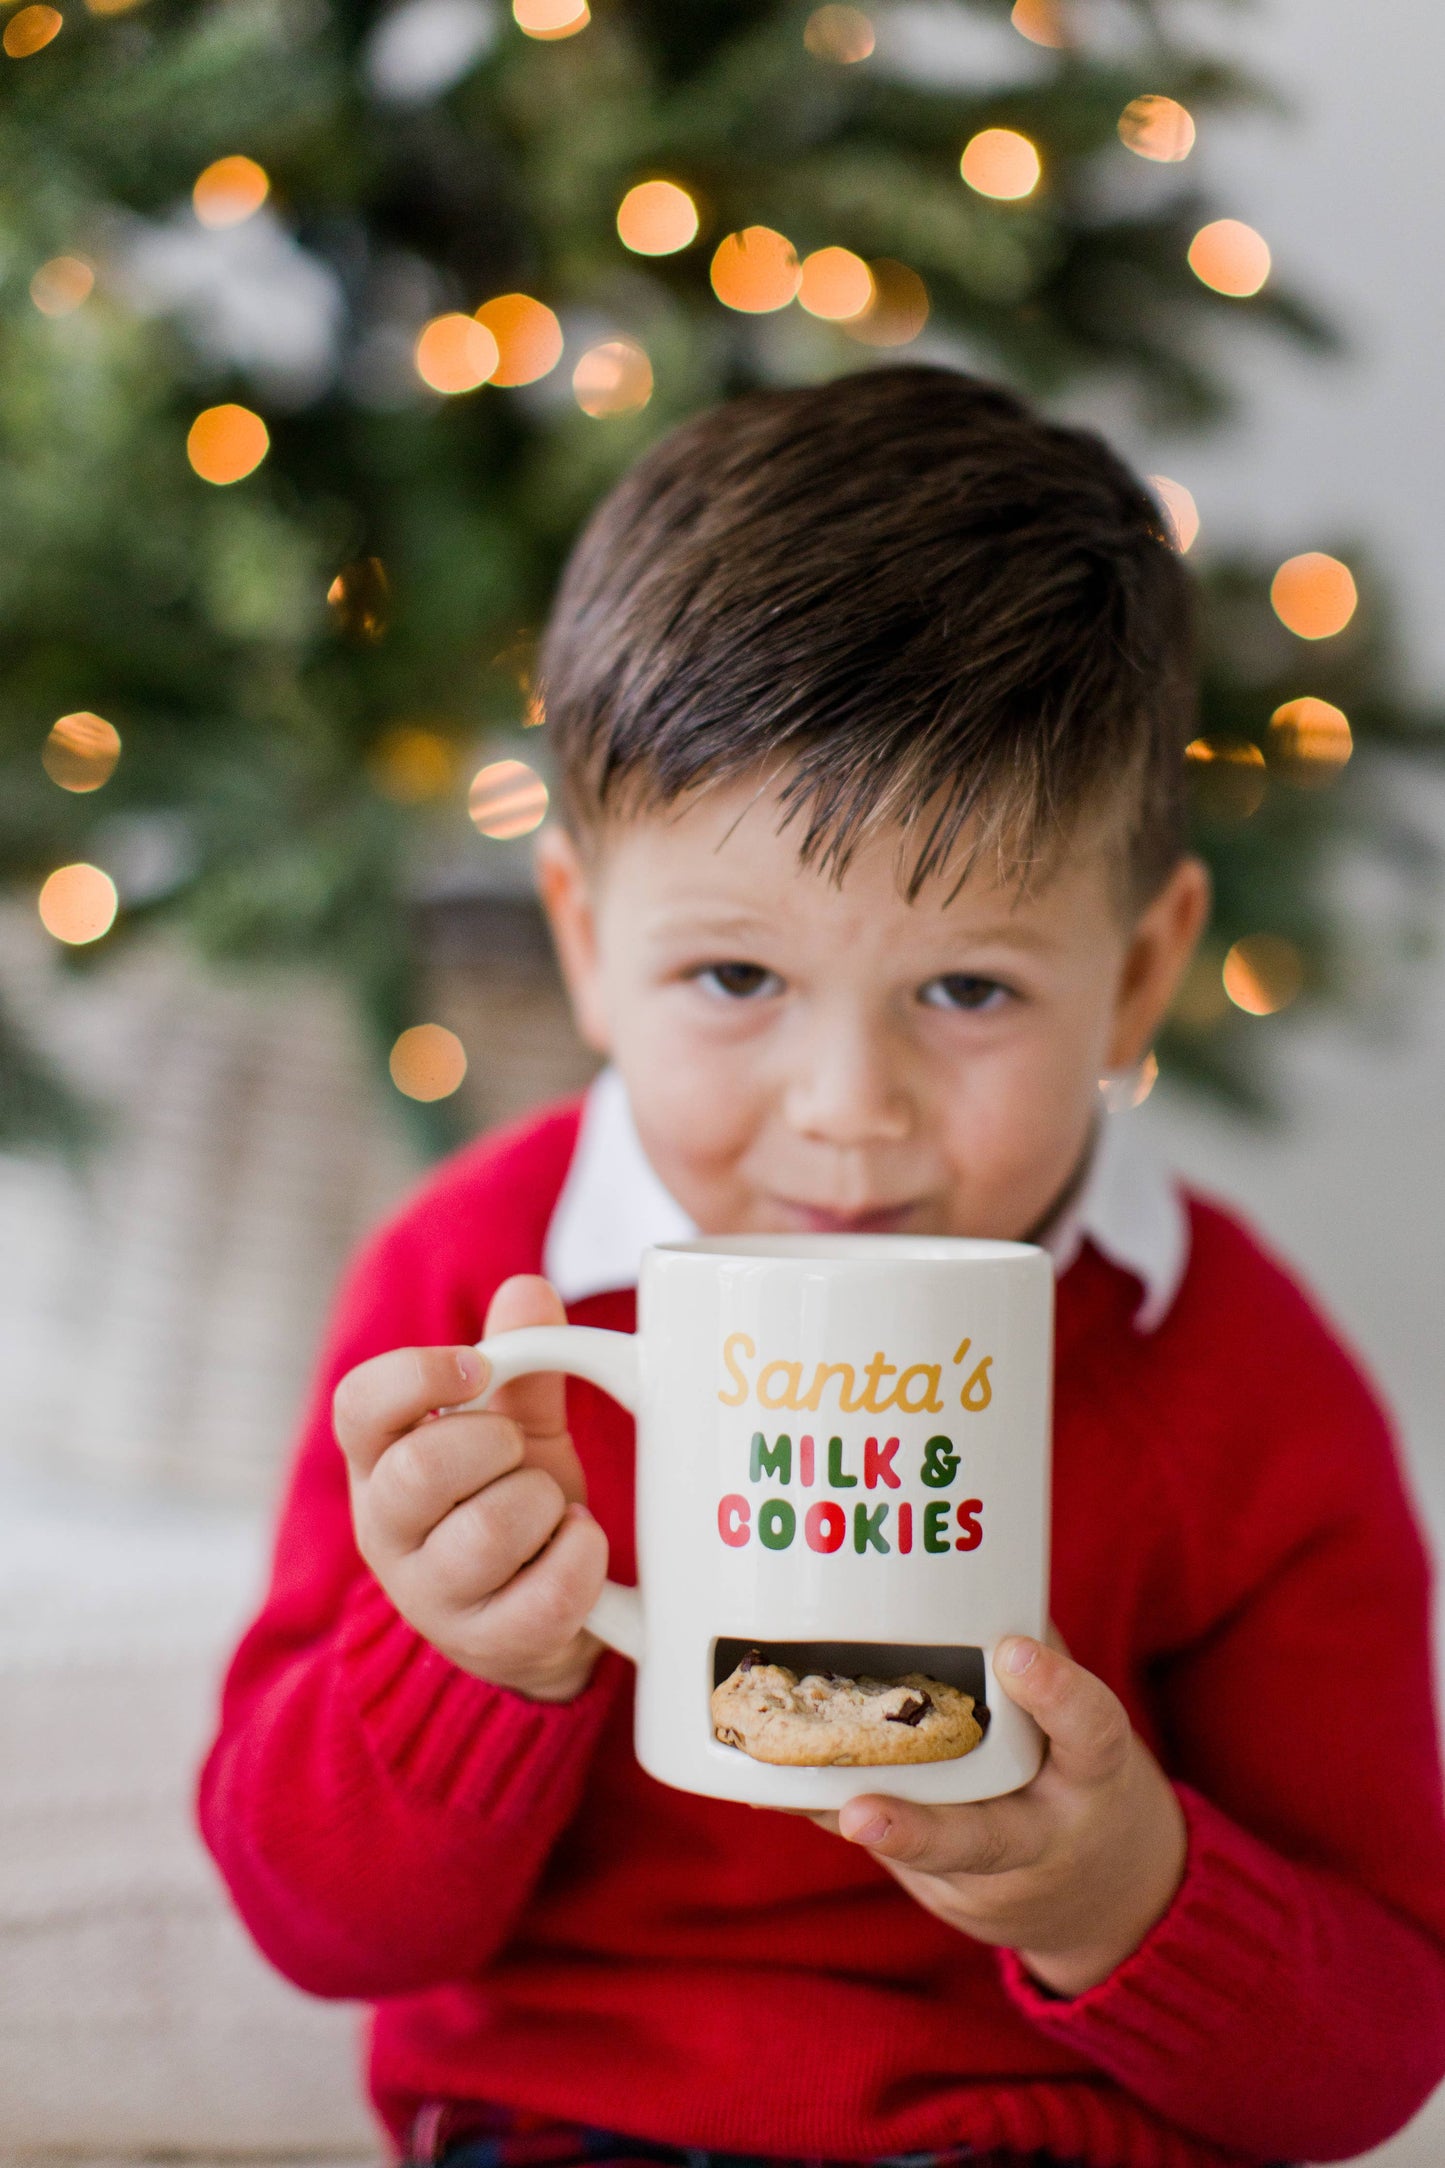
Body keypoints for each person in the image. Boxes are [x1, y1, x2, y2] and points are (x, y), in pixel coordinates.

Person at [198, 366, 1445, 2168]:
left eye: (968, 991)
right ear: (585, 942)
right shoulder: (478, 1303)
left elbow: (1369, 2061)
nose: (848, 1114)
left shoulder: (1230, 1375)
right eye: (733, 980)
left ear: (1143, 971)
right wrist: (466, 1659)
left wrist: (1121, 1896)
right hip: (566, 2127)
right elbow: (322, 1931)